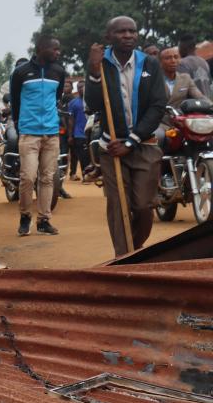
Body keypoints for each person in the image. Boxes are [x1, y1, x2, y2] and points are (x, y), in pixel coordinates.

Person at [84, 16, 167, 256]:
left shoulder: (149, 63)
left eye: (132, 31)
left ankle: (135, 248)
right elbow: (94, 104)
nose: (128, 35)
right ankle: (123, 257)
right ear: (108, 36)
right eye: (122, 32)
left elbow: (158, 105)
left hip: (144, 144)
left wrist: (132, 141)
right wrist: (94, 72)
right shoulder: (100, 63)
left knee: (143, 207)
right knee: (118, 206)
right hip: (111, 147)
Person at [10, 35, 66, 236]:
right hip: (29, 133)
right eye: (55, 49)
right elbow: (15, 101)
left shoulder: (59, 71)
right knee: (27, 177)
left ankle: (44, 220)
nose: (58, 53)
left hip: (51, 133)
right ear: (41, 48)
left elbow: (57, 97)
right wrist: (20, 125)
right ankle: (25, 217)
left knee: (48, 178)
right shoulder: (20, 72)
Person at [158, 46, 205, 133]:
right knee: (159, 136)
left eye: (176, 57)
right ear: (160, 62)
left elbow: (200, 97)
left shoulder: (186, 78)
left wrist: (210, 106)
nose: (173, 61)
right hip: (160, 124)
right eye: (168, 58)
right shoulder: (154, 80)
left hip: (182, 122)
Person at [67, 83, 90, 180]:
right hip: (79, 134)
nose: (81, 89)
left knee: (90, 155)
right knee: (82, 156)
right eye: (79, 87)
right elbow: (71, 120)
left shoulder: (92, 101)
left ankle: (91, 174)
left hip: (91, 133)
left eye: (83, 86)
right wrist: (70, 135)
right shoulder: (73, 103)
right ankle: (85, 175)